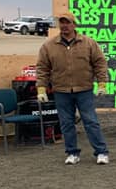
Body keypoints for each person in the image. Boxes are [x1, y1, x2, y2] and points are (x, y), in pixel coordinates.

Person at [35, 11, 111, 165]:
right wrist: (41, 88)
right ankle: (72, 153)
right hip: (61, 91)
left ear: (74, 25)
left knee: (91, 121)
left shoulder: (88, 43)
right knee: (66, 123)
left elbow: (100, 63)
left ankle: (101, 152)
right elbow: (42, 68)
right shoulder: (49, 46)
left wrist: (102, 83)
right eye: (61, 23)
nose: (64, 26)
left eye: (67, 22)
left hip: (84, 89)